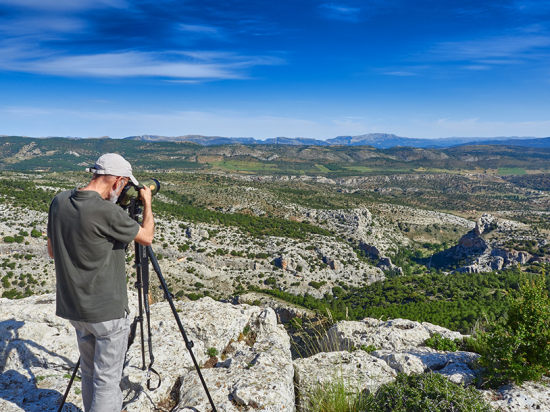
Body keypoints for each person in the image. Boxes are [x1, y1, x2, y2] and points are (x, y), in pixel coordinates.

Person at [47, 153, 154, 412]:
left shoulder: (59, 201)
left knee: (88, 372)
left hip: (74, 308)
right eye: (124, 184)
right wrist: (147, 205)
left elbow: (52, 251)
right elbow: (147, 237)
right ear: (117, 180)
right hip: (106, 311)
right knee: (107, 381)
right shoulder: (107, 212)